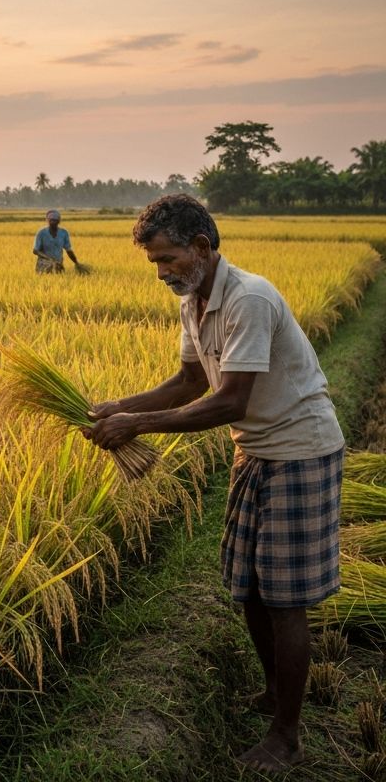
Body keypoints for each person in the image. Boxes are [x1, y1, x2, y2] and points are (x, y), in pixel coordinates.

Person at [85, 194, 344, 773]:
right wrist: (117, 409)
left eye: (169, 258)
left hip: (300, 451)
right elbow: (187, 382)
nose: (161, 272)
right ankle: (276, 693)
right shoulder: (194, 300)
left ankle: (288, 735)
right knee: (249, 586)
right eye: (154, 263)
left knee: (285, 600)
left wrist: (139, 424)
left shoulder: (247, 299)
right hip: (255, 451)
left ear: (202, 247)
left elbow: (230, 400)